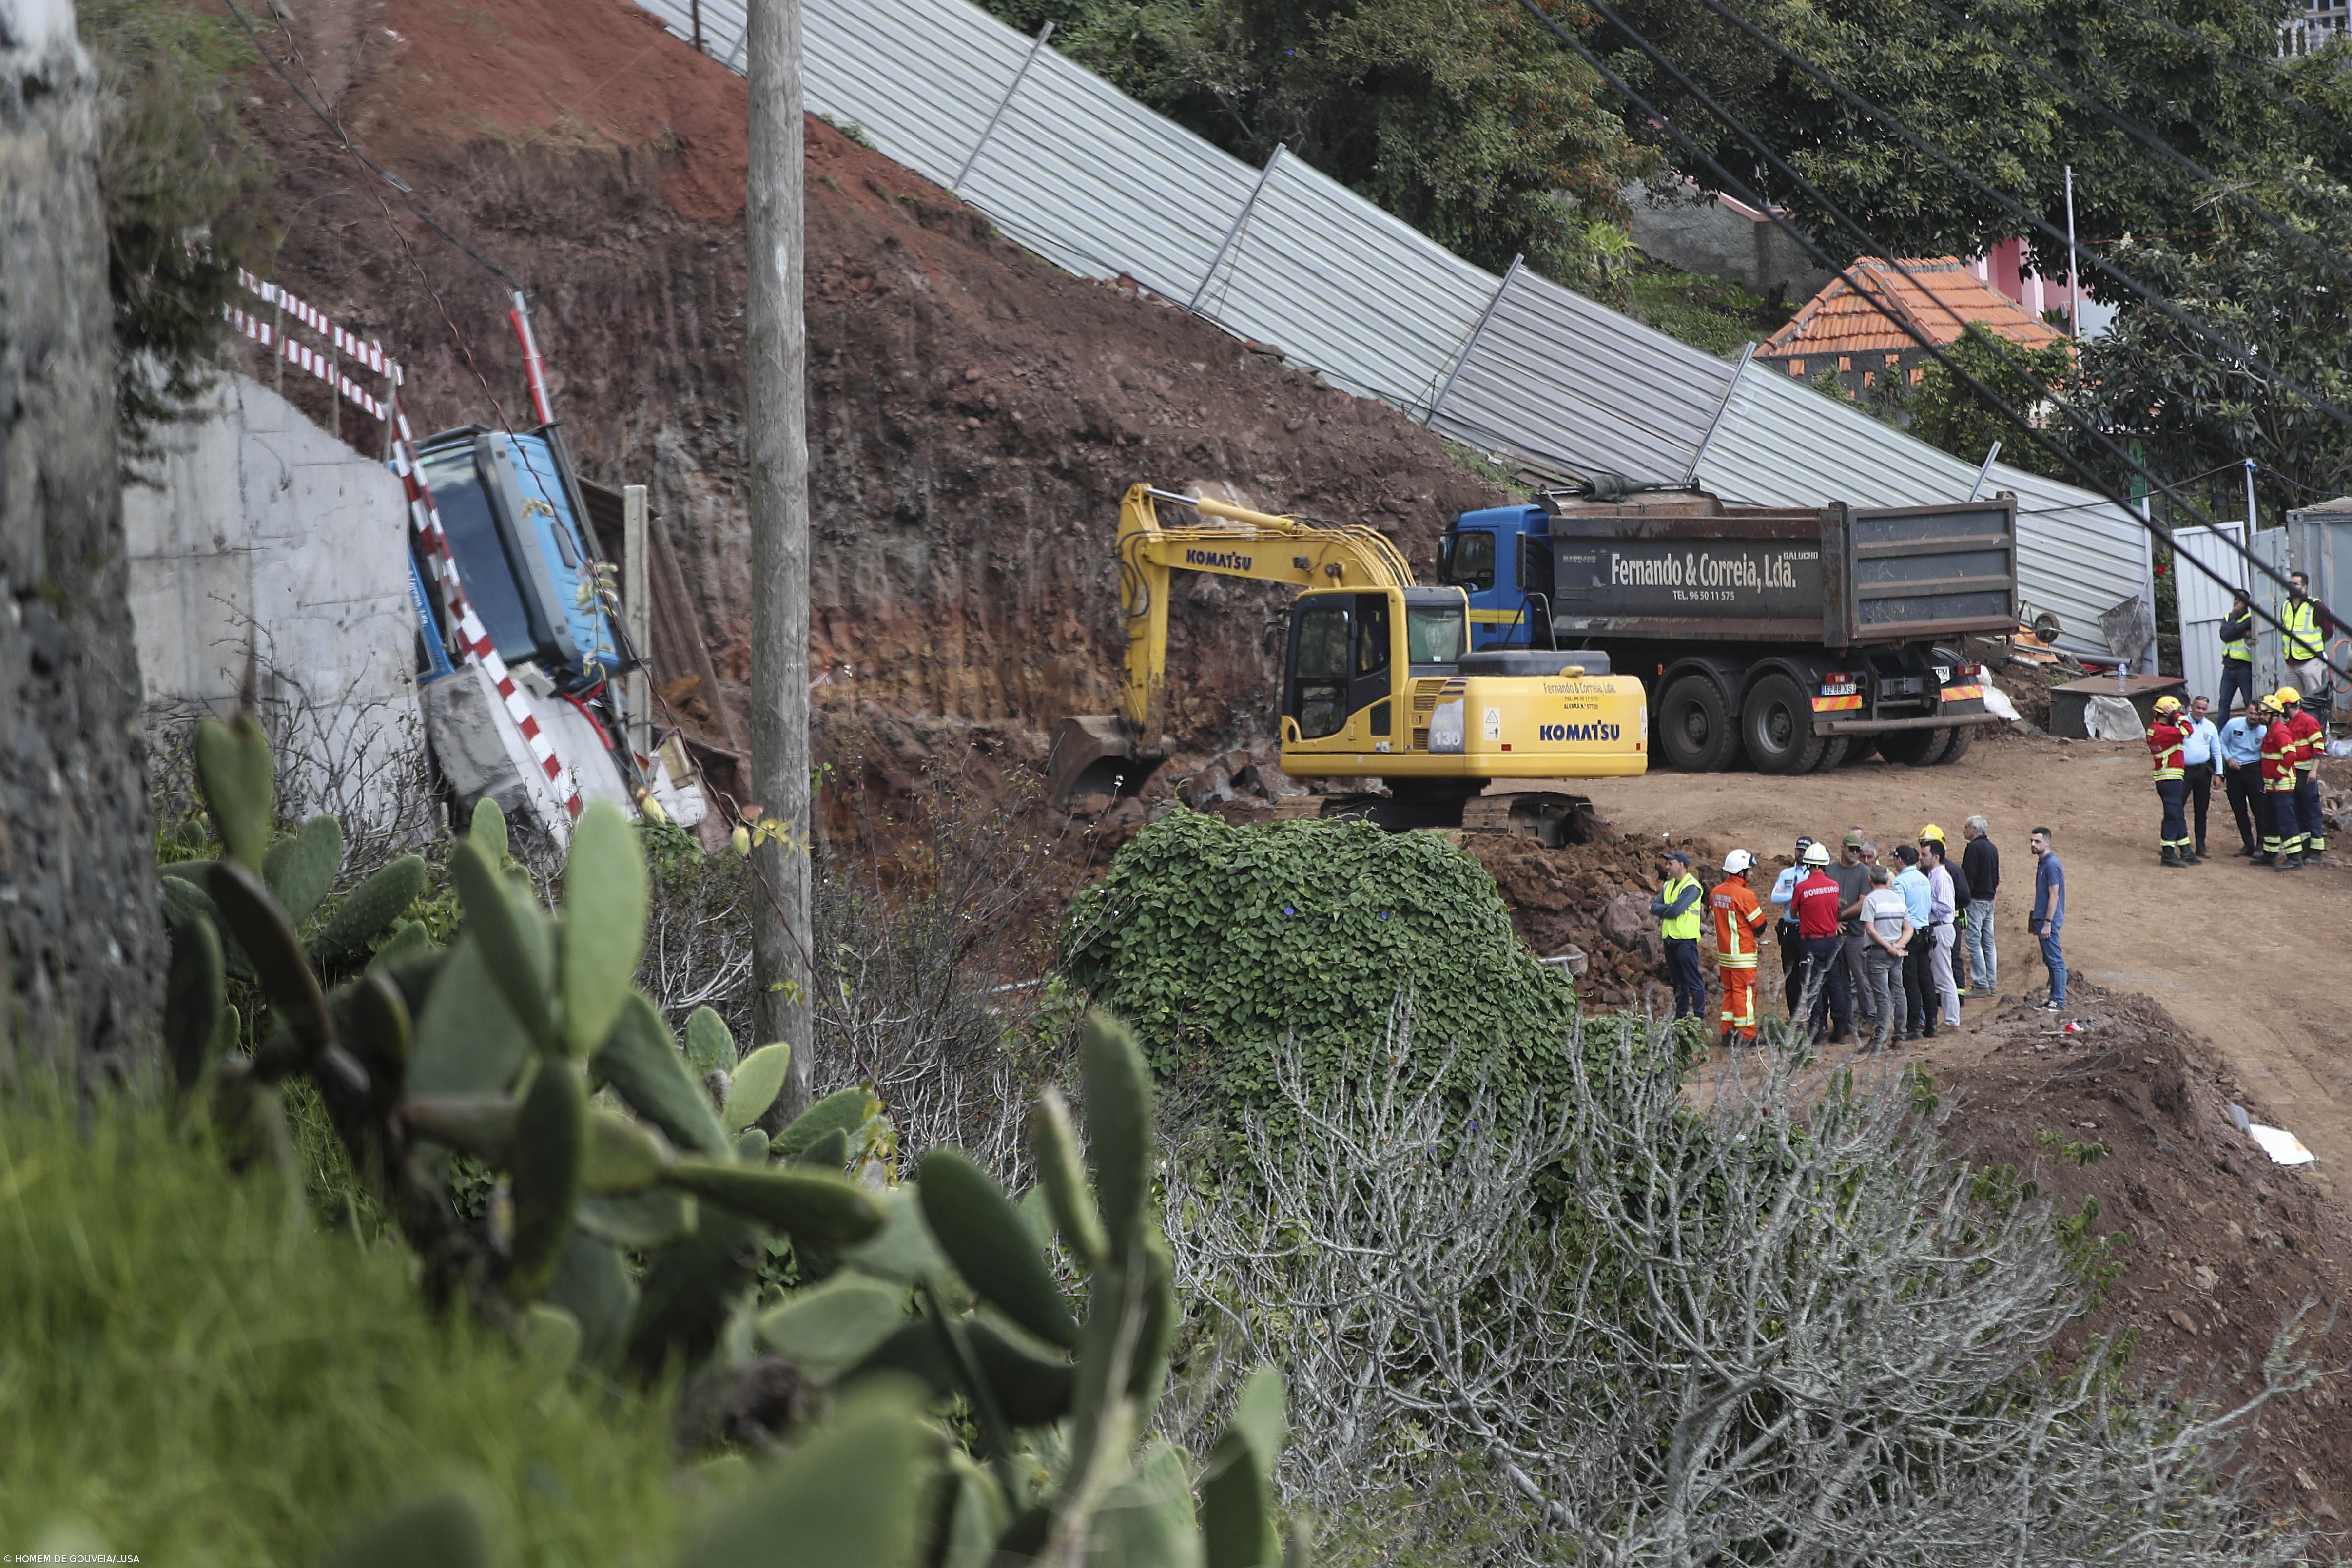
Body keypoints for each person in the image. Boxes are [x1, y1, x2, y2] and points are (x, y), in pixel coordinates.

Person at [1790, 841, 1852, 1043]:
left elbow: (1794, 913)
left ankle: (1816, 1031)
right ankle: (1840, 1030)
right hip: (1831, 941)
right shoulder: (1834, 887)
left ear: (1808, 864)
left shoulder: (1802, 887)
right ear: (1825, 864)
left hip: (1811, 943)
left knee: (1813, 986)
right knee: (1835, 984)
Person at [1710, 850, 1768, 1048]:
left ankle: (1727, 1033)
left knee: (1730, 992)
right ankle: (1747, 1035)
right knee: (1745, 994)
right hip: (1742, 955)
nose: (1752, 873)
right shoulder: (1745, 895)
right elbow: (1760, 925)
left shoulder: (1716, 892)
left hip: (1725, 955)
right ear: (1741, 872)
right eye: (1749, 870)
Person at [1857, 864, 1914, 1051]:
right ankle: (1900, 1035)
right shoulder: (1898, 900)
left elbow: (1871, 930)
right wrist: (1898, 945)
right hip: (1896, 953)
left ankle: (1879, 1038)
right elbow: (1909, 929)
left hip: (1879, 952)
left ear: (1870, 880)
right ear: (1888, 880)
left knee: (1882, 996)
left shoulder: (1871, 900)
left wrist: (1889, 947)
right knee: (1899, 992)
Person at [1829, 832, 1876, 1035]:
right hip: (1834, 932)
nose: (1856, 853)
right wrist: (1833, 921)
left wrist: (1839, 917)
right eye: (1852, 849)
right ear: (1843, 848)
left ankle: (1872, 1018)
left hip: (1855, 932)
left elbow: (1863, 902)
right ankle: (1847, 1022)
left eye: (1858, 850)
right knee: (1841, 980)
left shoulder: (1864, 872)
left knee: (1860, 976)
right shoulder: (1830, 870)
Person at [1652, 849, 1706, 1022]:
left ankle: (1699, 1018)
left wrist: (1667, 908)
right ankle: (1680, 1016)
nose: (1667, 867)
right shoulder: (1668, 886)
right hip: (1670, 940)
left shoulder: (1692, 886)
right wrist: (1669, 907)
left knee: (1693, 980)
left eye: (1670, 863)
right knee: (1678, 982)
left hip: (1686, 940)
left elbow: (1676, 911)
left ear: (1681, 864)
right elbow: (1653, 908)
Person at [1891, 843, 1934, 1040]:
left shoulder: (1901, 882)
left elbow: (1900, 910)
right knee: (1926, 980)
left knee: (1911, 982)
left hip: (1910, 934)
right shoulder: (1924, 879)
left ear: (1900, 860)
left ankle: (1914, 1026)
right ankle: (1932, 1024)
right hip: (1926, 933)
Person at [1921, 835, 1963, 1031]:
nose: (1922, 858)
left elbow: (1947, 907)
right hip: (1938, 928)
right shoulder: (1934, 876)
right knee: (1941, 977)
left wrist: (1927, 903)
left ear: (1935, 857)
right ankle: (1950, 1019)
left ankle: (1952, 1021)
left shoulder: (1941, 877)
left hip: (1941, 928)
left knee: (1944, 977)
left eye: (1925, 855)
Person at [2145, 694, 2192, 868]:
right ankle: (2168, 854)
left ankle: (2186, 850)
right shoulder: (2163, 731)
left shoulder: (2157, 730)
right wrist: (2176, 716)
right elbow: (2188, 730)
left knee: (2177, 814)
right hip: (2170, 778)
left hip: (2168, 778)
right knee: (2172, 816)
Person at [2280, 572, 2335, 721]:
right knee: (2294, 702)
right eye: (2291, 583)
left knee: (2315, 701)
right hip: (2290, 661)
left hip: (2310, 661)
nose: (2292, 587)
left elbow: (2329, 630)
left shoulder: (2316, 606)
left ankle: (2321, 732)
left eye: (2296, 584)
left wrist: (2316, 647)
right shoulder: (2286, 605)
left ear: (2305, 587)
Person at [2219, 699, 2270, 857]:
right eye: (2251, 713)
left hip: (2254, 770)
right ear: (2247, 712)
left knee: (2259, 810)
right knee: (2239, 809)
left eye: (2257, 714)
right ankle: (2248, 844)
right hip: (2234, 771)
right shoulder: (2234, 724)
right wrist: (2228, 759)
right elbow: (2221, 742)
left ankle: (2262, 845)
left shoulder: (2265, 731)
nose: (2254, 717)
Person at [1768, 837, 1812, 1016]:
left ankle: (1809, 1016)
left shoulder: (1813, 874)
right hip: (1789, 930)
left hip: (1807, 929)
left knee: (1808, 975)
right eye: (1799, 850)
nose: (1801, 854)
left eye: (1805, 851)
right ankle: (1794, 1016)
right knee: (1791, 975)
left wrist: (1789, 895)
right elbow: (1774, 898)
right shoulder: (1786, 874)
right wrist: (1798, 895)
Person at [2285, 684, 2327, 867]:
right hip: (2294, 774)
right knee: (2299, 812)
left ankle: (2316, 851)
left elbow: (2318, 747)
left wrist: (2314, 770)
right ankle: (2305, 847)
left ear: (2287, 706)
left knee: (2312, 812)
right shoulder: (2289, 724)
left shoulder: (2308, 722)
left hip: (2306, 774)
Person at [2260, 692, 2304, 870]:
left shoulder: (2279, 732)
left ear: (2274, 714)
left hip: (2282, 785)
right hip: (2273, 785)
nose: (2262, 717)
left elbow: (2291, 755)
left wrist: (2278, 776)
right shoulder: (2272, 730)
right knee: (2270, 820)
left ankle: (2295, 858)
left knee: (2287, 821)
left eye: (2265, 713)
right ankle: (2269, 855)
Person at [2027, 826, 2066, 1012]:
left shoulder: (2052, 864)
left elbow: (2054, 896)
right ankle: (2054, 998)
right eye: (2032, 841)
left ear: (2048, 843)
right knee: (2050, 961)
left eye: (2037, 842)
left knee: (2056, 961)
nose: (2033, 845)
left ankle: (2058, 1001)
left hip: (2048, 922)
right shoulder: (2043, 863)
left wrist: (2048, 923)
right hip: (2042, 920)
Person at [1960, 815, 1999, 995]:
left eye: (1967, 827)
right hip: (1990, 900)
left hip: (1976, 901)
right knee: (1989, 943)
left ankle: (1981, 983)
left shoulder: (1973, 849)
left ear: (1975, 830)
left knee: (1974, 942)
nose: (1964, 830)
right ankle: (1991, 982)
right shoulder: (1993, 848)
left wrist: (1963, 899)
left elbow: (1968, 877)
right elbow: (1996, 877)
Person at [2179, 695, 2220, 861]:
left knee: (2201, 809)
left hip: (2203, 772)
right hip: (2183, 772)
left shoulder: (2210, 727)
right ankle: (2171, 843)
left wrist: (2218, 773)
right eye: (2198, 708)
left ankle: (2201, 845)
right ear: (2192, 706)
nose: (2200, 711)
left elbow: (2216, 751)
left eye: (2204, 709)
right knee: (2176, 807)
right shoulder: (2180, 723)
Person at [2217, 588, 2257, 721]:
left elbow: (2232, 632)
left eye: (2241, 600)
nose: (2237, 603)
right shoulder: (2229, 617)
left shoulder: (2250, 619)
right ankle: (2221, 731)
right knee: (2224, 702)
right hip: (2228, 667)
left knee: (2249, 702)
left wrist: (2236, 631)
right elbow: (2225, 636)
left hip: (2244, 667)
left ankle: (2252, 727)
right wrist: (2242, 633)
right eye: (2236, 599)